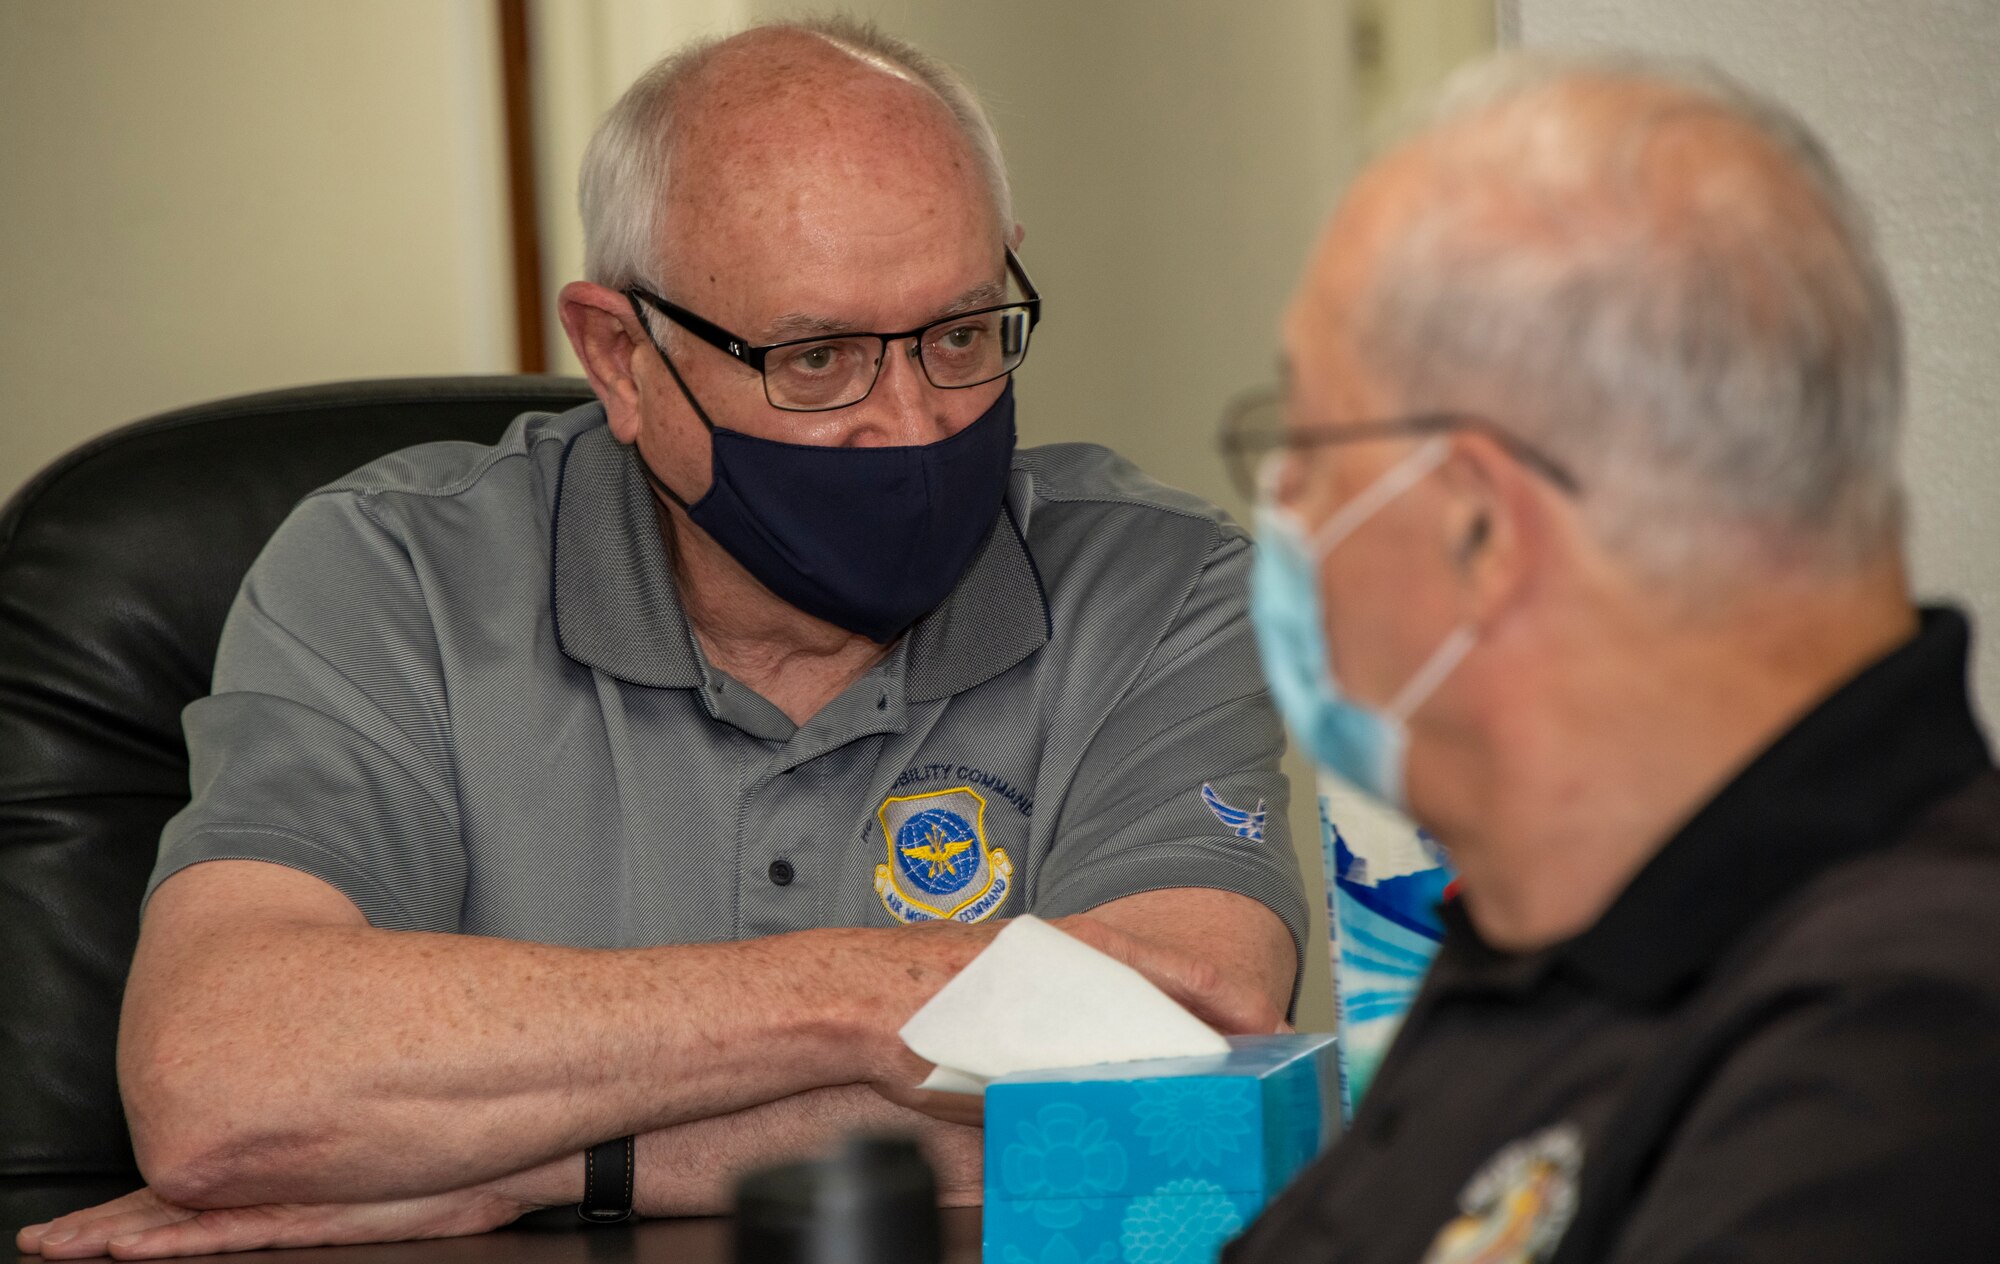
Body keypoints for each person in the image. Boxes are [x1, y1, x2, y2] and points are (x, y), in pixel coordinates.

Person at [16, 17, 1306, 1258]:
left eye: (960, 335)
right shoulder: (388, 572)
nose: (912, 422)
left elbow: (1193, 1091)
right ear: (621, 357)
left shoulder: (1160, 586)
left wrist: (524, 1168)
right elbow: (222, 1080)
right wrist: (874, 996)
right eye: (816, 359)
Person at [1221, 52, 2000, 1262]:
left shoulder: (1909, 1055)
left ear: (1477, 528)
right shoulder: (1559, 938)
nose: (1285, 519)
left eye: (1309, 455)